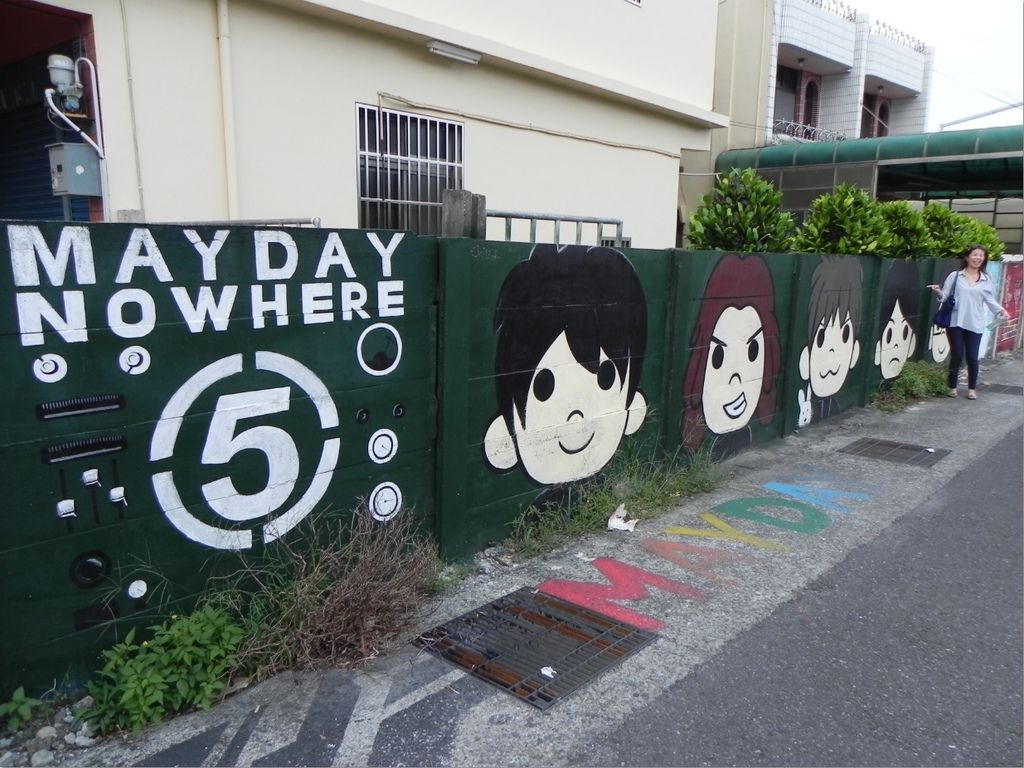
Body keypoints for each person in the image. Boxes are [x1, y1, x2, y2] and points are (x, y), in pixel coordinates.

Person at [927, 244, 1010, 400]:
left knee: (972, 357)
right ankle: (952, 387)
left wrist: (1000, 310)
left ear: (984, 259)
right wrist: (938, 291)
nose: (978, 258)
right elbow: (945, 297)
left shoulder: (986, 279)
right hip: (955, 322)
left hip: (975, 323)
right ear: (967, 257)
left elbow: (990, 300)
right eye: (975, 255)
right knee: (957, 354)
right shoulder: (955, 276)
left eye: (981, 255)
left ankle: (972, 389)